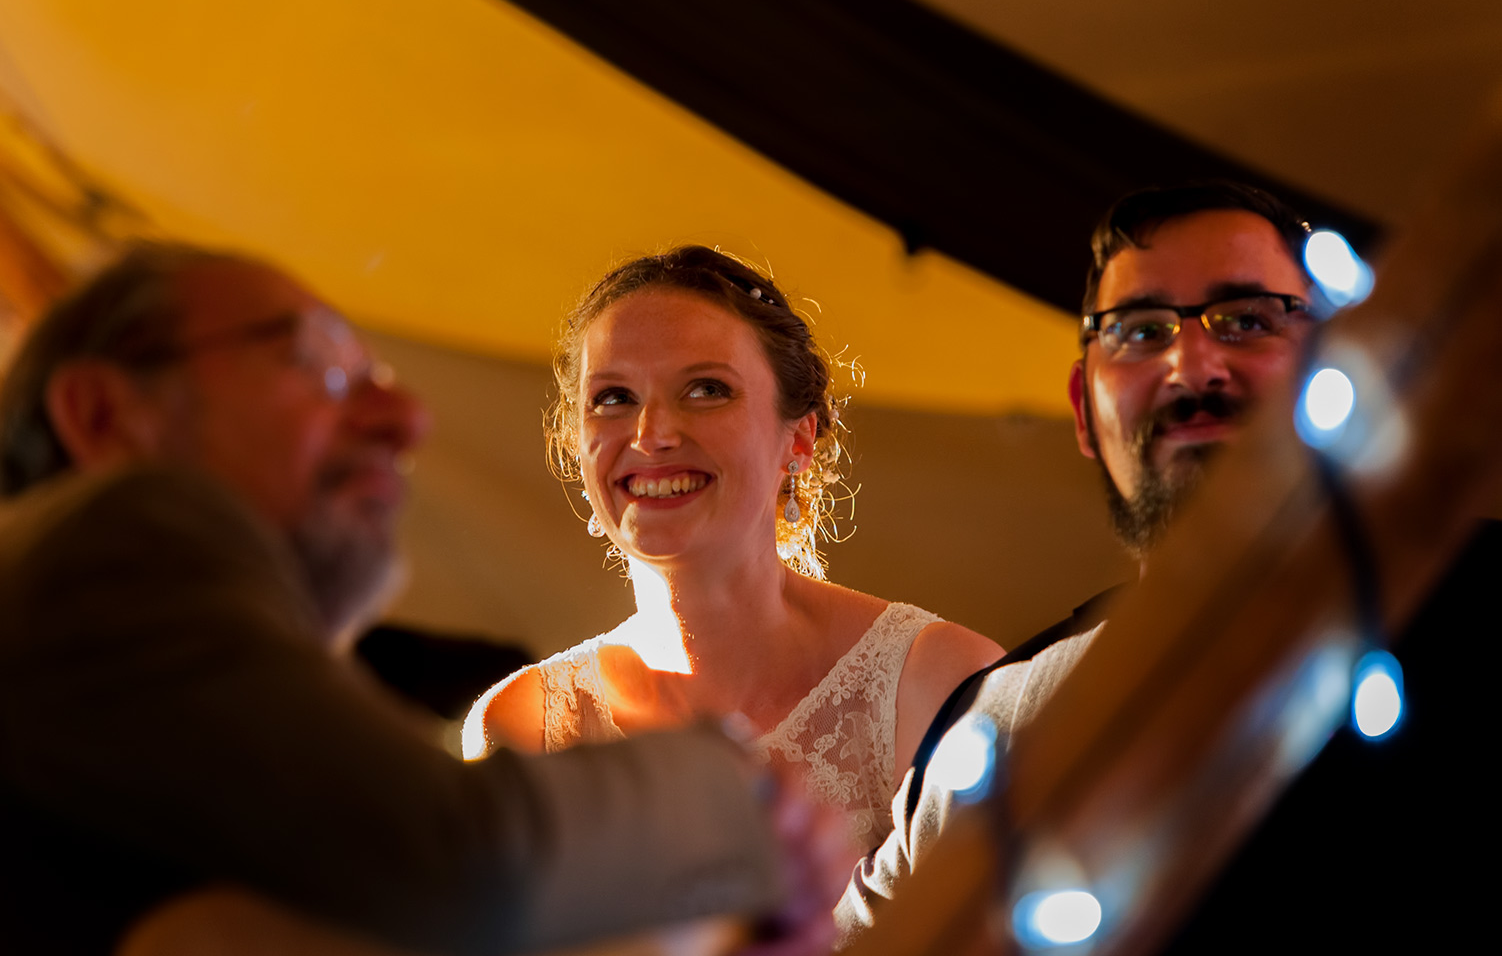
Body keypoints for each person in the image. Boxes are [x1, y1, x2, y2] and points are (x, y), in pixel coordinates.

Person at [0, 243, 842, 955]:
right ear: (105, 415)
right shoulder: (107, 550)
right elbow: (464, 860)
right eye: (319, 366)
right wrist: (739, 800)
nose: (405, 418)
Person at [835, 180, 1328, 940]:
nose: (1194, 367)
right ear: (1082, 410)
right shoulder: (997, 727)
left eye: (1247, 321)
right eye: (1138, 331)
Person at [467, 246, 1001, 850]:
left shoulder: (937, 687)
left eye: (706, 389)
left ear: (799, 439)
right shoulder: (525, 727)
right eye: (614, 398)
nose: (653, 434)